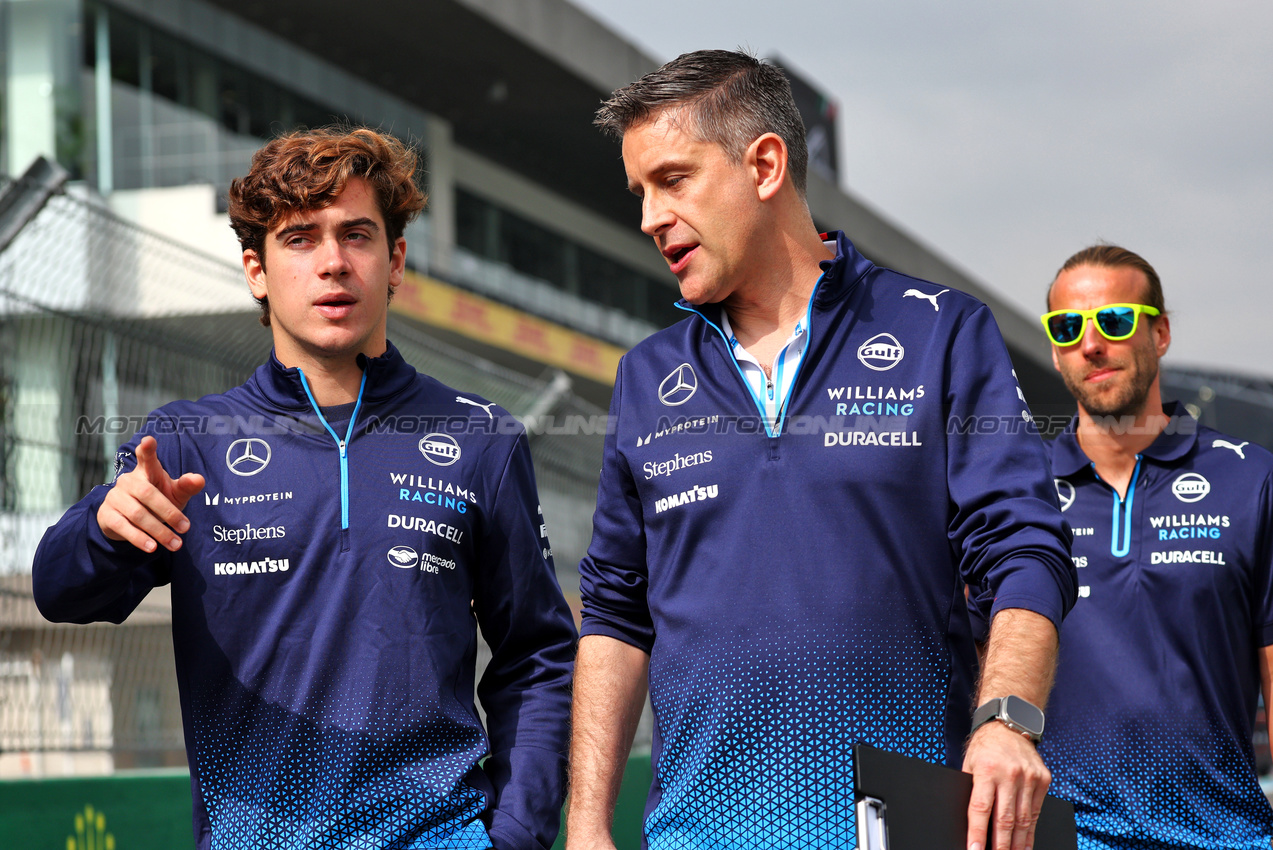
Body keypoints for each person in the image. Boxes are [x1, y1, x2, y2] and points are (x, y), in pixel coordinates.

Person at [567, 50, 1076, 850]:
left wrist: (1006, 720)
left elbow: (1024, 546)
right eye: (639, 193)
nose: (648, 217)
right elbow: (614, 614)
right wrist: (589, 825)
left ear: (764, 164)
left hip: (902, 831)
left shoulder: (939, 331)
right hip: (696, 835)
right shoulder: (645, 376)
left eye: (672, 181)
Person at [32, 127, 577, 850]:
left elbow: (537, 658)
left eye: (357, 235)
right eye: (300, 239)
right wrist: (103, 524)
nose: (332, 263)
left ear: (395, 262)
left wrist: (516, 838)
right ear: (257, 270)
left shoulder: (480, 437)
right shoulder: (190, 442)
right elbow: (61, 592)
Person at [1036, 245, 1273, 849]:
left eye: (1114, 321)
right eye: (1068, 328)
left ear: (1159, 332)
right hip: (1064, 842)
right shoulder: (1016, 491)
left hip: (1225, 838)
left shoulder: (1252, 479)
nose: (1091, 345)